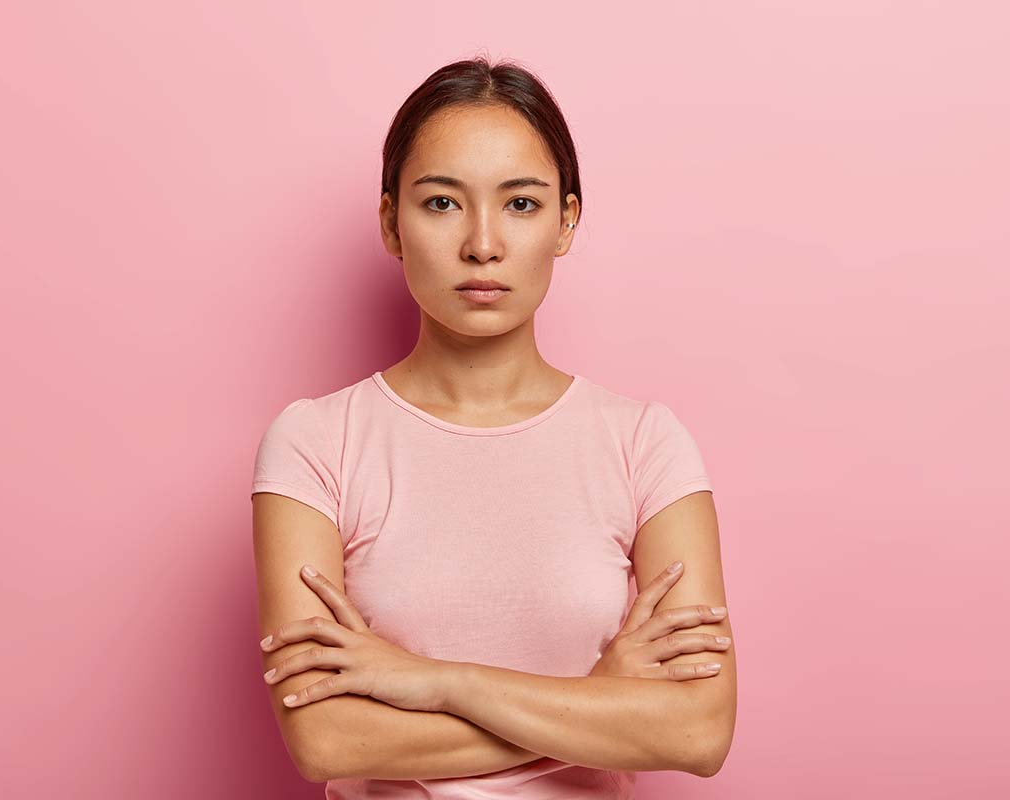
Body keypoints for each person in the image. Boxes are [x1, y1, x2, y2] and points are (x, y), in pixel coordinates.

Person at [251, 56, 736, 799]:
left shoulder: (644, 444)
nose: (483, 243)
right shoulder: (317, 444)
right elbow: (327, 740)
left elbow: (698, 733)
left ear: (567, 220)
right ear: (391, 221)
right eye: (442, 203)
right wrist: (598, 698)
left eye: (521, 204)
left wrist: (432, 683)